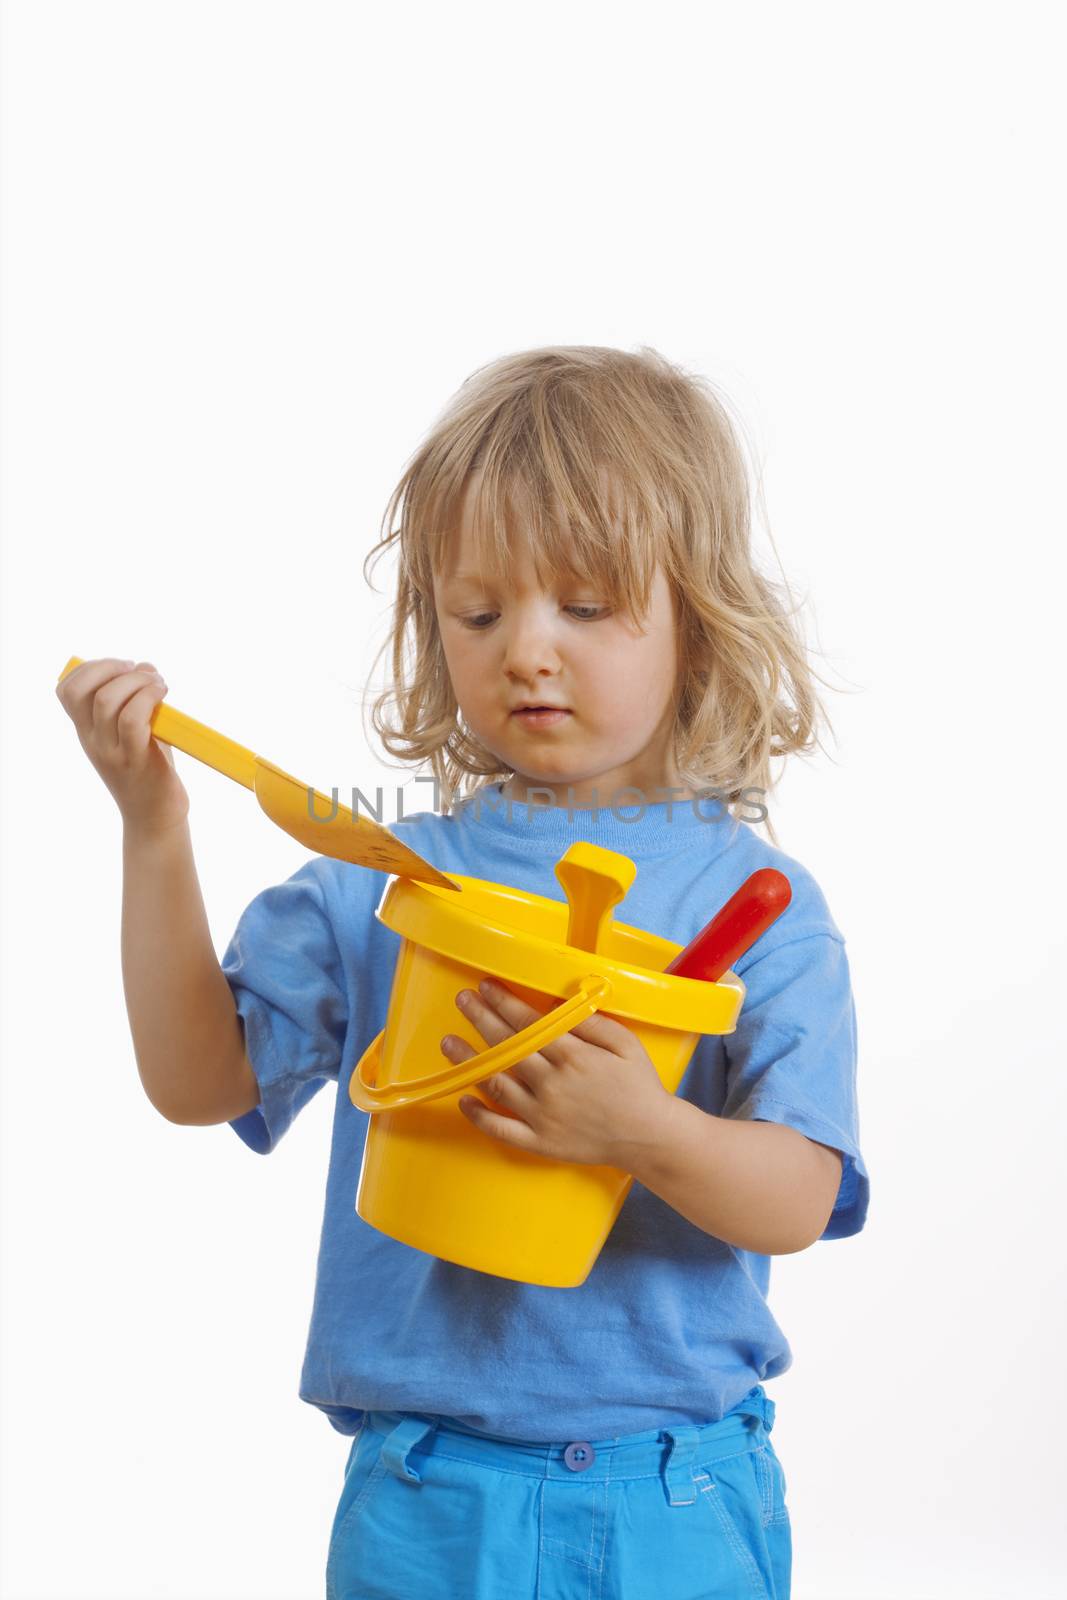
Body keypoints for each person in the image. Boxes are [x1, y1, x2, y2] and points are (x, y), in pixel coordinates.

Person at [56, 344, 870, 1600]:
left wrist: (640, 1129)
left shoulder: (758, 911)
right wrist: (152, 828)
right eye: (478, 611)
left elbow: (798, 1197)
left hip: (672, 1499)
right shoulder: (381, 879)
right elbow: (196, 1079)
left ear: (695, 616)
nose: (526, 651)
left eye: (585, 607)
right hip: (428, 1498)